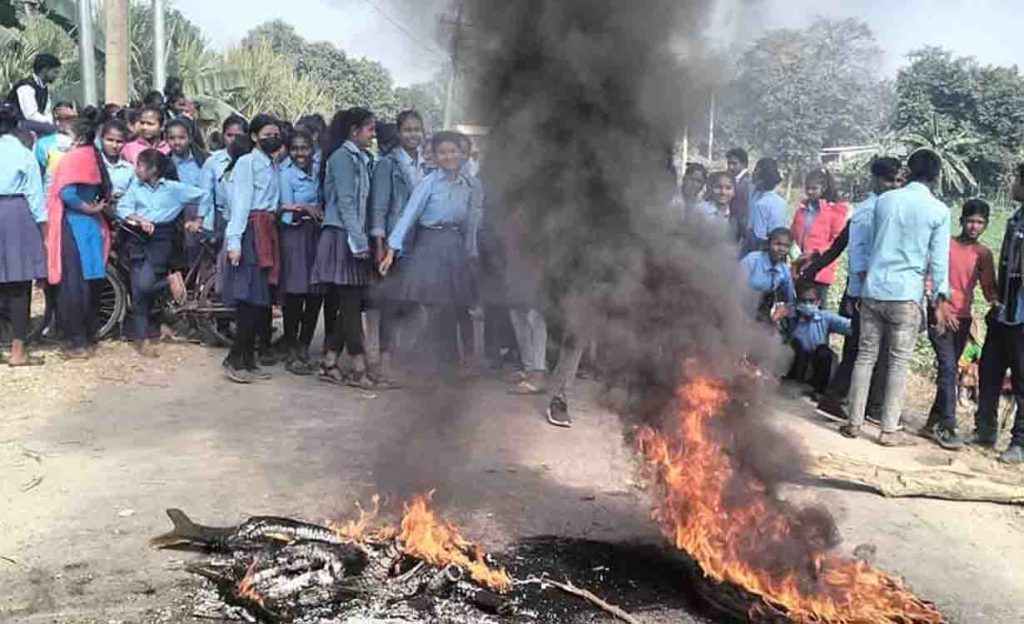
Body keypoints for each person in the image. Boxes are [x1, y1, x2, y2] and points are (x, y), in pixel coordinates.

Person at [840, 148, 951, 446]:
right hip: (906, 294)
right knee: (898, 362)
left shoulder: (885, 201)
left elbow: (873, 244)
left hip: (874, 289)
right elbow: (939, 263)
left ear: (909, 171)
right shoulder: (939, 211)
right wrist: (939, 301)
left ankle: (853, 421)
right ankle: (888, 430)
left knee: (865, 356)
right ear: (936, 176)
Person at [805, 157, 902, 423]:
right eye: (889, 180)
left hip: (867, 289)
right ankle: (837, 399)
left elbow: (838, 245)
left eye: (897, 180)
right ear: (876, 179)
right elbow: (856, 251)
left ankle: (860, 402)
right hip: (865, 291)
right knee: (862, 349)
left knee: (865, 348)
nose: (894, 185)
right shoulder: (871, 210)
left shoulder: (877, 207)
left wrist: (814, 268)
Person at [379, 131, 482, 374]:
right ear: (434, 157)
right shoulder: (428, 183)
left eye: (453, 151)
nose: (449, 156)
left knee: (454, 308)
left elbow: (471, 224)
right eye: (443, 152)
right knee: (432, 308)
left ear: (462, 154)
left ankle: (450, 365)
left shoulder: (469, 185)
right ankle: (429, 365)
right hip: (431, 245)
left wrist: (471, 252)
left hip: (455, 247)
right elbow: (409, 216)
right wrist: (392, 250)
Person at [916, 199, 998, 449]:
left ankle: (932, 423)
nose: (974, 226)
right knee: (949, 368)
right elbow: (929, 278)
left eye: (980, 222)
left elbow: (988, 288)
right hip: (940, 315)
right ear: (961, 221)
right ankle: (948, 425)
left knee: (948, 368)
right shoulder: (946, 245)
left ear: (985, 225)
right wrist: (939, 308)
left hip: (962, 319)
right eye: (971, 221)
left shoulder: (982, 254)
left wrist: (996, 301)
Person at [310, 108, 377, 388]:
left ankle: (330, 360)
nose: (373, 135)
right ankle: (359, 365)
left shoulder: (361, 158)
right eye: (369, 129)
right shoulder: (342, 158)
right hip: (341, 235)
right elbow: (347, 202)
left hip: (350, 234)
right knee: (350, 303)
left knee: (350, 302)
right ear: (354, 130)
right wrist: (359, 241)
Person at [115, 149, 205, 358]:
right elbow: (122, 208)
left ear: (153, 170)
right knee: (139, 290)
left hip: (162, 239)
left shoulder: (173, 188)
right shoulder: (135, 187)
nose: (136, 169)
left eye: (140, 165)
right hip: (138, 238)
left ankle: (168, 287)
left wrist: (199, 219)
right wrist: (140, 219)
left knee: (144, 288)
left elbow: (204, 195)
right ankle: (142, 338)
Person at [46, 111, 117, 360]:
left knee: (73, 285)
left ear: (76, 134)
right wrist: (93, 209)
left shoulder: (75, 157)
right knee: (90, 282)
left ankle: (77, 343)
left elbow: (67, 193)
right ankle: (88, 337)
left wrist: (87, 208)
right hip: (90, 228)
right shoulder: (93, 155)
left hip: (75, 224)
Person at [221, 114, 282, 383]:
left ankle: (248, 359)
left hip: (267, 231)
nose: (274, 138)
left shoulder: (272, 164)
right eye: (268, 134)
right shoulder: (247, 163)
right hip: (250, 232)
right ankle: (235, 359)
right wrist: (234, 242)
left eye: (277, 134)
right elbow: (241, 204)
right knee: (247, 299)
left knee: (261, 300)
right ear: (255, 137)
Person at [972, 165, 1024, 463]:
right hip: (1004, 313)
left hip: (1021, 319)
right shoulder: (1014, 220)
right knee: (989, 372)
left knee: (1022, 381)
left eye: (1017, 179)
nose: (1013, 184)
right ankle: (985, 430)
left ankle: (1019, 441)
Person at [371, 109, 427, 383]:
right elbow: (379, 208)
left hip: (421, 245)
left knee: (414, 303)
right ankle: (385, 362)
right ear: (398, 133)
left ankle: (406, 359)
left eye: (417, 129)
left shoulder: (428, 165)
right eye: (408, 130)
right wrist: (380, 246)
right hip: (395, 245)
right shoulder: (387, 165)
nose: (413, 135)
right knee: (391, 303)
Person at [0, 102, 47, 366]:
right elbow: (35, 196)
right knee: (19, 286)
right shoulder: (23, 153)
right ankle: (18, 352)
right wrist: (43, 232)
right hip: (16, 213)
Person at [278, 130, 324, 375]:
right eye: (294, 149)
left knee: (315, 295)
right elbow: (286, 212)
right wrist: (307, 208)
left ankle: (305, 346)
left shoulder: (319, 172)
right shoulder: (286, 176)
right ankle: (291, 347)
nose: (299, 154)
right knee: (295, 295)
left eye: (304, 148)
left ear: (312, 148)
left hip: (317, 237)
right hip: (295, 236)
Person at [791, 168, 848, 305]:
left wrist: (815, 253)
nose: (810, 192)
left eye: (814, 188)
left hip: (820, 268)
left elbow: (837, 241)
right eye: (807, 188)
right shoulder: (801, 210)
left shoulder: (835, 211)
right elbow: (792, 234)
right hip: (800, 267)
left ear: (823, 189)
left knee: (817, 313)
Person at [787, 284, 851, 396]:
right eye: (803, 301)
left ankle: (818, 389)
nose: (807, 305)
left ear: (818, 302)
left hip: (816, 361)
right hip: (798, 360)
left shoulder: (825, 317)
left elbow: (850, 326)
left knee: (824, 351)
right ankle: (792, 381)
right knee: (794, 345)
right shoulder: (792, 317)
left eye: (811, 301)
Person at [199, 115, 248, 246]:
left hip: (249, 217)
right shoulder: (213, 162)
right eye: (229, 135)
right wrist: (207, 227)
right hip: (223, 218)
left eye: (238, 136)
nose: (233, 140)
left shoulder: (253, 160)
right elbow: (206, 195)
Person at [741, 227, 796, 325]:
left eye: (786, 246)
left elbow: (790, 301)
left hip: (763, 310)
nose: (781, 249)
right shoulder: (753, 259)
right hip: (741, 303)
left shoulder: (784, 271)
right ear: (768, 243)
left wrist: (782, 311)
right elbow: (733, 283)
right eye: (778, 244)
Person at [8, 53, 61, 133]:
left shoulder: (44, 88)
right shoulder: (26, 87)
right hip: (16, 128)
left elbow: (46, 112)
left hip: (32, 127)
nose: (56, 76)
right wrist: (52, 124)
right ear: (44, 70)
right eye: (55, 72)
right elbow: (31, 116)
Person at [745, 158, 787, 253]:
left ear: (762, 179)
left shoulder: (762, 203)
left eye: (755, 171)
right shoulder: (756, 195)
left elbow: (758, 237)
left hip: (762, 247)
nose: (753, 174)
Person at [34, 102, 77, 195]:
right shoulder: (43, 144)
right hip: (51, 198)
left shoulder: (84, 142)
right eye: (59, 118)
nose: (63, 122)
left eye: (68, 118)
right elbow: (38, 175)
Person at [726, 147, 753, 235]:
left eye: (734, 163)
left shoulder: (747, 183)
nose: (730, 167)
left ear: (744, 164)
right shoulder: (733, 180)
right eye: (729, 163)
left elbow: (744, 210)